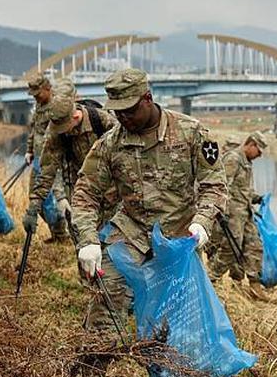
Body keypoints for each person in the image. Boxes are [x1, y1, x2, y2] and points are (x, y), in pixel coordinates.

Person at [70, 68, 228, 352]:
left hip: (179, 239)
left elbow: (214, 185)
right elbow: (85, 193)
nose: (123, 118)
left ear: (147, 99)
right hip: (131, 234)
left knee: (176, 324)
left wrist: (203, 221)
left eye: (129, 111)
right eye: (117, 112)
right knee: (108, 297)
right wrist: (88, 239)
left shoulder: (192, 134)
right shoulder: (110, 144)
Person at [21, 93, 118, 237]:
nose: (63, 132)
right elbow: (47, 171)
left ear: (76, 117)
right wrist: (34, 207)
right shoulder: (56, 132)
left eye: (65, 128)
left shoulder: (103, 121)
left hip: (111, 192)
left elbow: (125, 159)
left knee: (110, 241)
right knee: (82, 241)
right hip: (78, 190)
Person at [206, 132, 267, 294]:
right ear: (251, 144)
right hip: (232, 215)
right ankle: (209, 279)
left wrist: (256, 198)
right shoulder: (233, 159)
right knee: (230, 249)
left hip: (245, 213)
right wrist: (222, 213)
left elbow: (242, 189)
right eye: (259, 151)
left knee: (255, 246)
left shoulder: (246, 162)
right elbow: (221, 187)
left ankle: (255, 285)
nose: (259, 155)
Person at [25, 73, 69, 241]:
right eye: (33, 94)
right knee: (35, 198)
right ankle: (56, 232)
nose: (35, 97)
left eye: (38, 93)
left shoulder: (57, 107)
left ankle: (61, 235)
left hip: (53, 162)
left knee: (56, 199)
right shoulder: (39, 106)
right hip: (38, 159)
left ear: (47, 89)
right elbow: (34, 131)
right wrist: (29, 150)